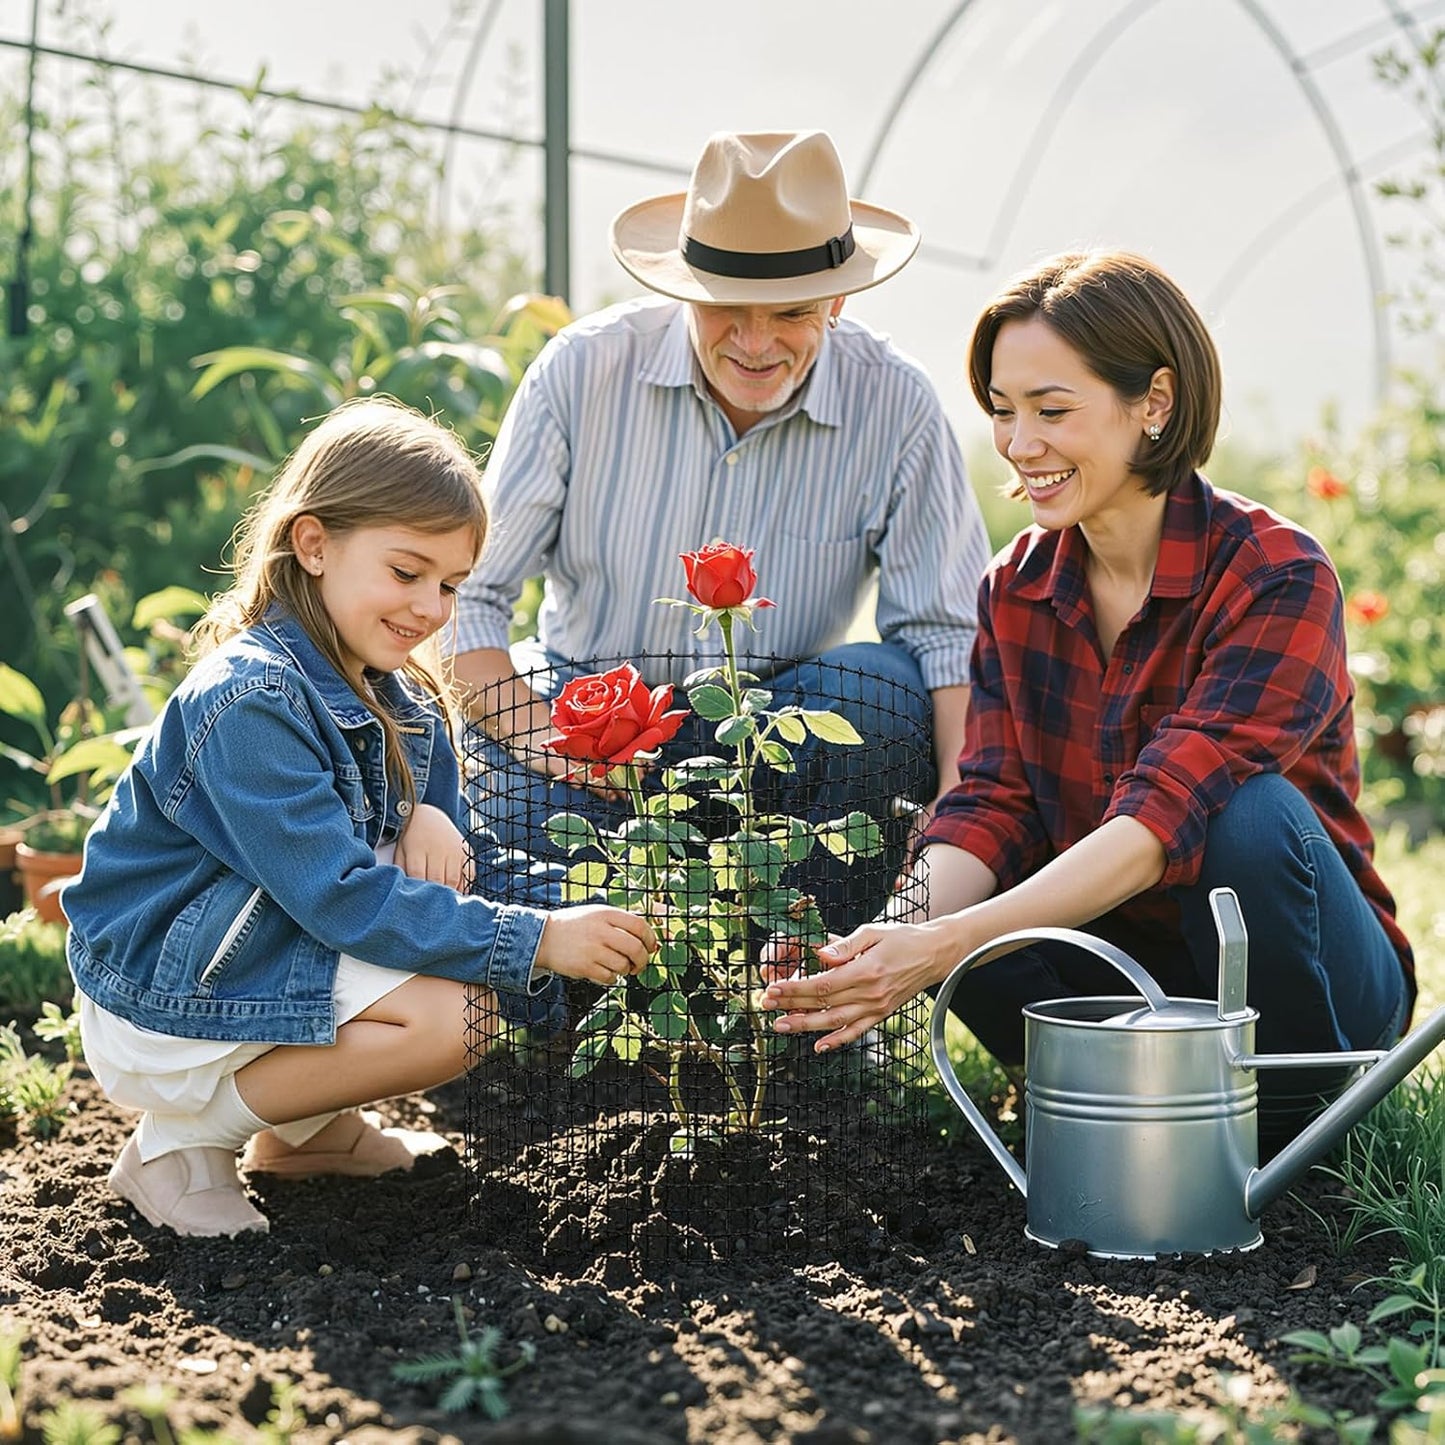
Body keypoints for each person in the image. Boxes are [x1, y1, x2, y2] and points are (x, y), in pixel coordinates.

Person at [761, 249, 1415, 1156]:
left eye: (1051, 410)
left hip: (1304, 975)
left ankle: (1295, 1126)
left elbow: (1160, 818)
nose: (1019, 444)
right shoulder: (1016, 589)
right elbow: (990, 800)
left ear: (1154, 401)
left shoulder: (1274, 576)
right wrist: (891, 937)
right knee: (955, 902)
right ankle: (1124, 1107)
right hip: (1122, 962)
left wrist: (945, 944)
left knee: (1249, 818)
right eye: (1002, 411)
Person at [64, 397, 657, 1239]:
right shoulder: (251, 700)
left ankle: (305, 1135)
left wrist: (585, 899)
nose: (431, 607)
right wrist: (535, 939)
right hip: (164, 994)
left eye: (451, 584)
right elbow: (340, 897)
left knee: (444, 907)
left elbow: (467, 867)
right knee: (463, 1012)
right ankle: (179, 1146)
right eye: (406, 572)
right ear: (314, 544)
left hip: (257, 950)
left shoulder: (400, 698)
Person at [450, 129, 993, 928]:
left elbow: (947, 638)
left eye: (792, 312)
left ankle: (810, 1008)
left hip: (778, 738)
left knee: (883, 695)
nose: (754, 342)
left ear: (838, 301)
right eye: (725, 310)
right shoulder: (583, 372)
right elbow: (467, 593)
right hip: (593, 732)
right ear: (683, 290)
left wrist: (953, 814)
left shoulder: (895, 405)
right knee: (512, 792)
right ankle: (583, 1032)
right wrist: (537, 737)